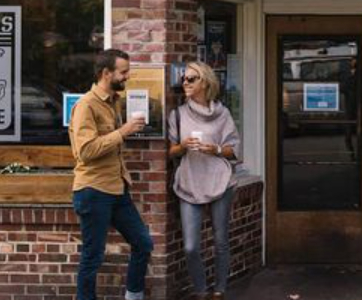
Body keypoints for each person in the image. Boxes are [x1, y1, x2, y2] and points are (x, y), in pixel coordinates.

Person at [69, 48, 153, 300]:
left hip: (117, 188)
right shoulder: (86, 105)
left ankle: (133, 296)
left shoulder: (114, 101)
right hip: (93, 190)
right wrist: (123, 131)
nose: (128, 76)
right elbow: (86, 151)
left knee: (143, 243)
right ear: (106, 73)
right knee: (93, 256)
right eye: (123, 72)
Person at [168, 62, 241, 300]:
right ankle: (200, 291)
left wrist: (215, 149)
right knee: (190, 246)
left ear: (205, 82)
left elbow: (234, 149)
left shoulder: (223, 113)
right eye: (184, 79)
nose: (185, 83)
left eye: (191, 79)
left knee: (220, 241)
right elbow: (170, 151)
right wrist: (182, 146)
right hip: (190, 181)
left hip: (220, 180)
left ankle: (219, 290)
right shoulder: (177, 115)